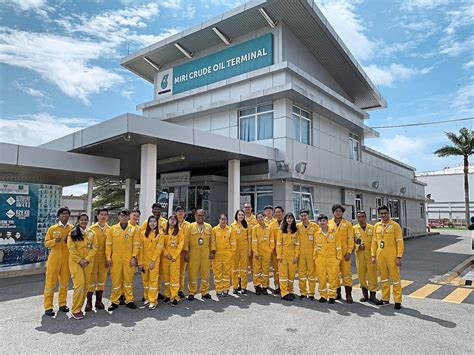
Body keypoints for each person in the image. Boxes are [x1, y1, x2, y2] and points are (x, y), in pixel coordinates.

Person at [106, 209, 140, 311]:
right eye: (122, 216)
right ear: (118, 217)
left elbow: (136, 245)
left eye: (126, 216)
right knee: (116, 280)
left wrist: (134, 257)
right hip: (115, 258)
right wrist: (108, 257)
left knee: (128, 280)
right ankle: (115, 301)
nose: (124, 218)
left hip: (128, 258)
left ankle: (129, 300)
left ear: (129, 217)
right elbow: (108, 245)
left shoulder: (133, 230)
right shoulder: (112, 229)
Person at [372, 205, 404, 310]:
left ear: (389, 213)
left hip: (392, 254)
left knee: (395, 279)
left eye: (385, 213)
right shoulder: (377, 226)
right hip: (380, 255)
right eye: (381, 213)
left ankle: (397, 300)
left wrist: (399, 256)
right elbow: (374, 242)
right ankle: (385, 298)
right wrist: (373, 255)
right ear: (379, 215)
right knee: (384, 278)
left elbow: (399, 242)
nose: (383, 215)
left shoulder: (395, 225)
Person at [43, 207, 73, 317]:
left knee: (64, 283)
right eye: (62, 214)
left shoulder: (72, 228)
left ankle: (62, 304)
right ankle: (48, 306)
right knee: (50, 283)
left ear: (69, 216)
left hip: (67, 258)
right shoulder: (52, 229)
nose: (64, 215)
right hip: (54, 258)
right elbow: (46, 243)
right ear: (58, 216)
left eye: (66, 214)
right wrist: (54, 241)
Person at [67, 213, 98, 320]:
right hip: (76, 263)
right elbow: (71, 249)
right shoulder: (73, 233)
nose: (83, 221)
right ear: (78, 221)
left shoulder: (92, 233)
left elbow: (94, 248)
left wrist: (87, 259)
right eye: (81, 220)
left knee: (85, 286)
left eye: (85, 220)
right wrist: (80, 260)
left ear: (88, 221)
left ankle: (80, 308)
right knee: (79, 284)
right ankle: (75, 309)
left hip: (88, 263)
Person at [354, 211, 381, 304]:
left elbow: (377, 241)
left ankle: (373, 296)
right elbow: (350, 243)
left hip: (371, 256)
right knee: (361, 276)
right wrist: (357, 246)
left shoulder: (372, 228)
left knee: (372, 276)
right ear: (357, 218)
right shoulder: (354, 229)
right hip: (360, 256)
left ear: (365, 217)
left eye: (362, 216)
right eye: (359, 217)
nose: (361, 218)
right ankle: (365, 295)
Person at [86, 208, 110, 311]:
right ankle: (89, 303)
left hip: (104, 259)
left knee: (102, 280)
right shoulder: (91, 229)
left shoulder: (110, 229)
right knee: (91, 281)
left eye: (105, 215)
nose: (103, 216)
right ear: (97, 216)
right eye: (101, 214)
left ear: (107, 217)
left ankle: (99, 301)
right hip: (93, 259)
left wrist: (109, 258)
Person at [329, 204, 354, 303]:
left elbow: (350, 239)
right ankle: (337, 293)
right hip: (333, 253)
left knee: (346, 274)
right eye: (336, 211)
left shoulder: (347, 224)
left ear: (342, 213)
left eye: (339, 211)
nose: (338, 213)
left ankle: (348, 295)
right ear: (333, 212)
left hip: (344, 253)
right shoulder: (329, 223)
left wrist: (349, 252)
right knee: (334, 274)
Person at [185, 209, 213, 300]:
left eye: (202, 215)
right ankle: (192, 292)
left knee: (205, 274)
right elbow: (186, 240)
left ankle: (204, 292)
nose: (200, 217)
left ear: (204, 216)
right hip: (193, 254)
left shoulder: (209, 227)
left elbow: (212, 240)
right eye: (198, 215)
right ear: (195, 216)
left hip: (205, 254)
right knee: (192, 273)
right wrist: (186, 253)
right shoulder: (190, 226)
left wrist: (212, 251)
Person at [314, 214, 341, 304]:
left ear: (327, 222)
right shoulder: (317, 234)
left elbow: (338, 246)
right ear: (318, 223)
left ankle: (332, 296)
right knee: (321, 278)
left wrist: (338, 259)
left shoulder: (334, 232)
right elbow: (315, 247)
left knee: (332, 278)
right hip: (320, 259)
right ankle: (323, 295)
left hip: (332, 259)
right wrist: (316, 258)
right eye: (320, 221)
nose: (322, 223)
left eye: (324, 221)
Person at [139, 215, 164, 309]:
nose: (152, 223)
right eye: (151, 222)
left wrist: (153, 261)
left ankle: (153, 300)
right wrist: (140, 263)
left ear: (157, 223)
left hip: (154, 261)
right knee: (145, 281)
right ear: (148, 223)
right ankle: (146, 297)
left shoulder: (160, 234)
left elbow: (159, 249)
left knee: (153, 281)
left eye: (154, 222)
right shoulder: (142, 234)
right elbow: (140, 248)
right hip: (144, 261)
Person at [162, 214, 185, 306]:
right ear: (168, 221)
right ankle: (168, 295)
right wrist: (166, 254)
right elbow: (161, 244)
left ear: (176, 221)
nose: (172, 221)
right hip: (166, 257)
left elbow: (180, 244)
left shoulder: (179, 231)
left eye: (174, 220)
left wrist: (175, 256)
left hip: (175, 258)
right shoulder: (164, 231)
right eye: (170, 219)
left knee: (174, 277)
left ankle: (175, 296)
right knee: (166, 277)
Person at [276, 212, 300, 301]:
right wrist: (279, 255)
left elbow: (297, 244)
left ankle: (290, 291)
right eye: (288, 218)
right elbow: (278, 244)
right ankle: (284, 293)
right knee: (283, 275)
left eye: (291, 218)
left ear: (293, 220)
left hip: (292, 256)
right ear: (285, 220)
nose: (289, 220)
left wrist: (296, 256)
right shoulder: (281, 230)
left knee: (291, 275)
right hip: (283, 255)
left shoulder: (295, 230)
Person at [211, 214, 236, 297]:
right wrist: (213, 252)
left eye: (225, 219)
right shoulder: (214, 229)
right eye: (222, 219)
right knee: (217, 272)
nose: (223, 221)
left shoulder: (230, 230)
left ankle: (226, 289)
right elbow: (212, 242)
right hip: (217, 254)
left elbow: (233, 242)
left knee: (226, 272)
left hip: (227, 254)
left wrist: (231, 253)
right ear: (219, 220)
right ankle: (218, 289)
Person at [297, 209, 319, 300]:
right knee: (301, 275)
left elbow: (318, 241)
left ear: (308, 216)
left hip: (311, 254)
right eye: (302, 216)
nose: (303, 217)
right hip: (301, 254)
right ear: (299, 217)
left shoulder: (315, 226)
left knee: (311, 275)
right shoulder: (297, 226)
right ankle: (303, 292)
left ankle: (311, 293)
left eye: (305, 216)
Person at [252, 212, 274, 295]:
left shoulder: (269, 228)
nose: (260, 219)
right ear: (257, 219)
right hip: (257, 252)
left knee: (265, 270)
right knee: (257, 270)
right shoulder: (255, 228)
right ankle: (257, 286)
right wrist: (256, 252)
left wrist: (270, 250)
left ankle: (265, 287)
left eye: (261, 217)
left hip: (267, 252)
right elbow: (254, 241)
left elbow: (272, 240)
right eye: (259, 218)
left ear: (264, 217)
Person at [231, 209, 250, 294]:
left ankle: (243, 286)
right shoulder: (232, 225)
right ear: (236, 216)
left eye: (242, 215)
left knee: (244, 269)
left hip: (244, 249)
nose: (241, 216)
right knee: (234, 269)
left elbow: (249, 239)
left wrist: (249, 250)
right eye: (239, 215)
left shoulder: (246, 225)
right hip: (235, 250)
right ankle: (235, 287)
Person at [175, 206, 191, 299]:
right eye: (179, 211)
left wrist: (187, 252)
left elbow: (189, 239)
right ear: (176, 213)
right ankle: (173, 289)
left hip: (183, 251)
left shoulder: (188, 225)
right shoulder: (172, 223)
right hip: (173, 252)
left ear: (184, 213)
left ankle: (180, 289)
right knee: (174, 272)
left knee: (181, 271)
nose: (180, 213)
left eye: (182, 212)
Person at [269, 206, 284, 293]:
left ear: (282, 212)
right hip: (274, 251)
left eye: (279, 212)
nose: (278, 213)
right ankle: (277, 286)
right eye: (276, 212)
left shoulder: (286, 223)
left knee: (283, 270)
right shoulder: (272, 224)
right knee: (275, 270)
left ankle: (284, 286)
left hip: (284, 251)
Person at [243, 203, 258, 274]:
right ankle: (241, 282)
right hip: (244, 245)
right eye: (246, 207)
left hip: (254, 245)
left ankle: (256, 282)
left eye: (249, 207)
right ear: (243, 209)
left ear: (251, 209)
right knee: (243, 264)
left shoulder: (255, 219)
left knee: (254, 264)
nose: (247, 209)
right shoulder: (241, 218)